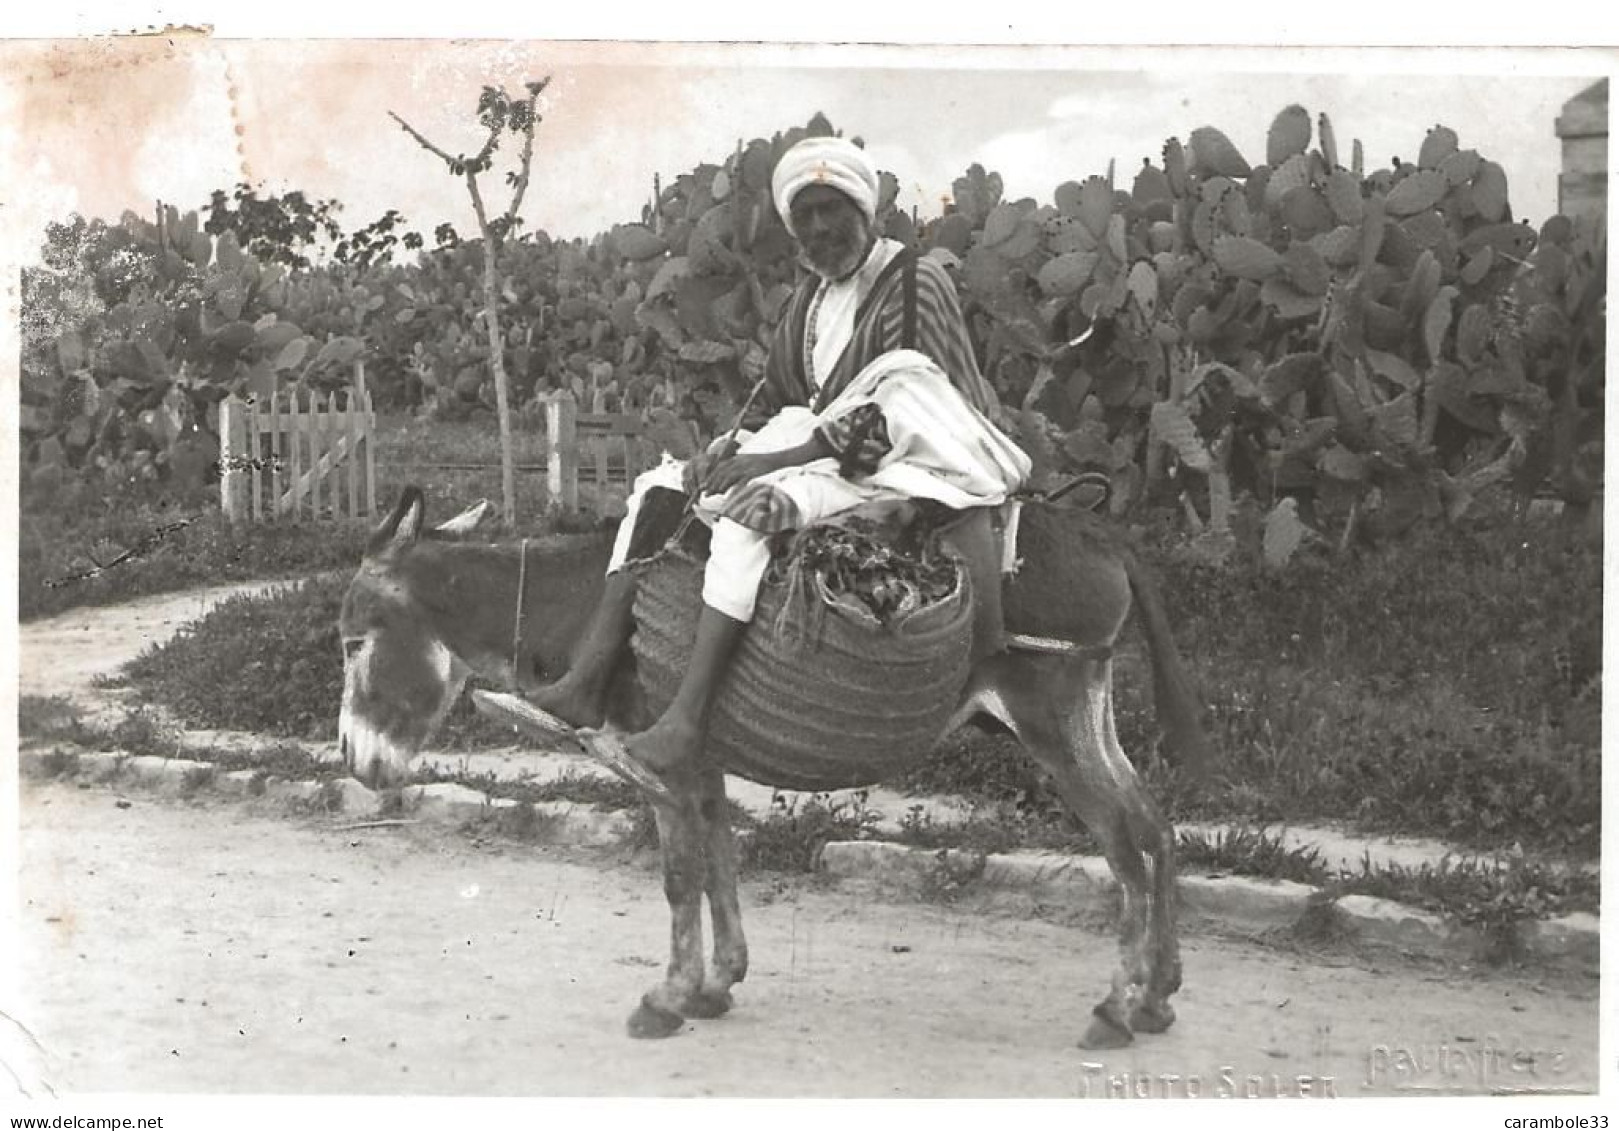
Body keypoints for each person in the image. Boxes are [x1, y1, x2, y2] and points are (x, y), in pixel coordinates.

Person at [531, 136, 1029, 778]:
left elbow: (908, 409)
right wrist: (727, 448)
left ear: (865, 209)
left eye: (833, 209)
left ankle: (686, 720)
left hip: (912, 462)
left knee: (749, 511)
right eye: (806, 217)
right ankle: (587, 677)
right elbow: (776, 395)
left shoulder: (913, 281)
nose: (820, 228)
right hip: (825, 450)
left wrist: (771, 464)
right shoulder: (812, 299)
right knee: (660, 488)